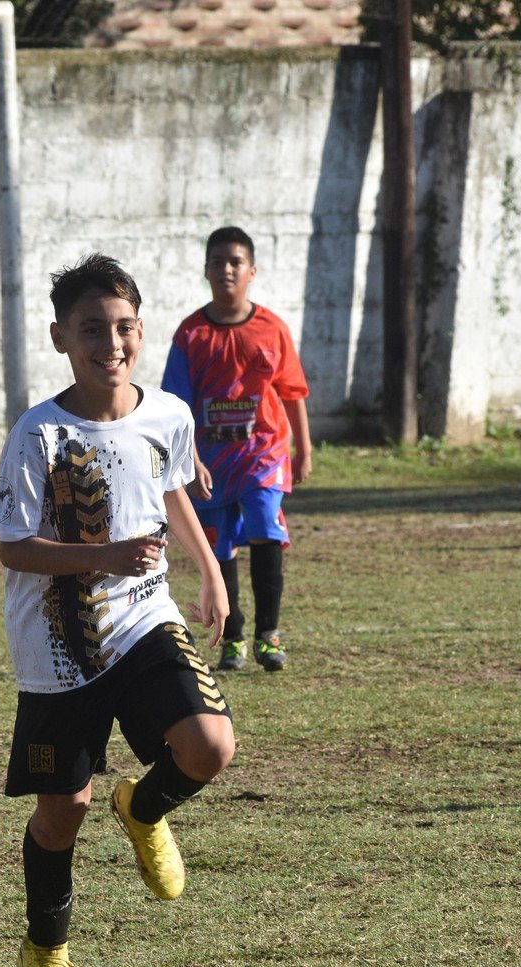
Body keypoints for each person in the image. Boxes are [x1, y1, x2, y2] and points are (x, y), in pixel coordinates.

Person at [0, 253, 235, 967]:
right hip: (58, 648)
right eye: (92, 328)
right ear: (62, 336)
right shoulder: (38, 433)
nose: (112, 342)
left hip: (144, 618)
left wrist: (210, 571)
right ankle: (47, 953)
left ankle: (145, 806)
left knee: (209, 744)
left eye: (124, 326)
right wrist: (104, 554)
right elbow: (13, 547)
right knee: (62, 813)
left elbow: (169, 488)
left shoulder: (167, 413)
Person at [162, 226, 311, 671]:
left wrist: (302, 449)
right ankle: (233, 637)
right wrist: (191, 460)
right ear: (206, 270)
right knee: (219, 546)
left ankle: (269, 634)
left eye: (235, 262)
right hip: (212, 461)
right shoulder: (191, 334)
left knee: (268, 529)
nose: (226, 270)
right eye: (218, 262)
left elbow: (292, 391)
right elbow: (176, 406)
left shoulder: (272, 328)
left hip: (263, 454)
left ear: (252, 271)